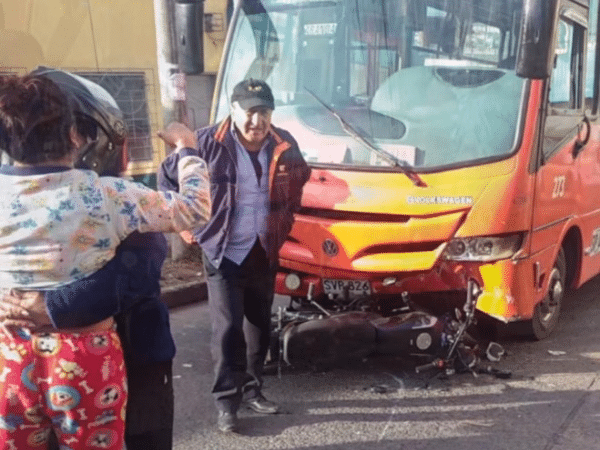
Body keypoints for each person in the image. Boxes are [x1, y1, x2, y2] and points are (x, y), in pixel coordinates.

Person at [0, 73, 210, 449]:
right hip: (83, 356)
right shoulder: (106, 195)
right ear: (74, 137)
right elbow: (193, 210)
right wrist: (187, 150)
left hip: (9, 353)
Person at [158, 78, 311, 433]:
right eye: (250, 112)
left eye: (265, 112)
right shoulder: (205, 142)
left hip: (263, 248)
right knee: (228, 329)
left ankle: (254, 389)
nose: (257, 121)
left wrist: (284, 220)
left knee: (259, 326)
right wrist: (187, 228)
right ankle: (227, 402)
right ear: (234, 109)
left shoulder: (284, 144)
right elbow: (167, 180)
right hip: (223, 250)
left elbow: (301, 178)